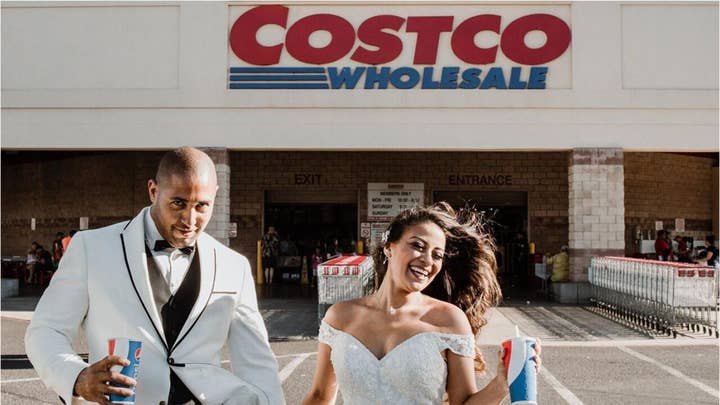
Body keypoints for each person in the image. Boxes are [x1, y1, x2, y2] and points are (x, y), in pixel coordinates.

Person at [26, 147, 284, 405]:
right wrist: (77, 377)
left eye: (202, 206)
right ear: (153, 191)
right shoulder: (91, 249)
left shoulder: (234, 266)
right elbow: (46, 330)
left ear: (215, 197)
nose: (190, 219)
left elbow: (257, 362)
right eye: (178, 203)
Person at [303, 203, 540, 404]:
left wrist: (502, 383)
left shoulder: (449, 320)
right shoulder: (340, 316)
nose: (428, 260)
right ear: (389, 247)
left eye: (437, 255)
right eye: (417, 245)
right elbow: (319, 395)